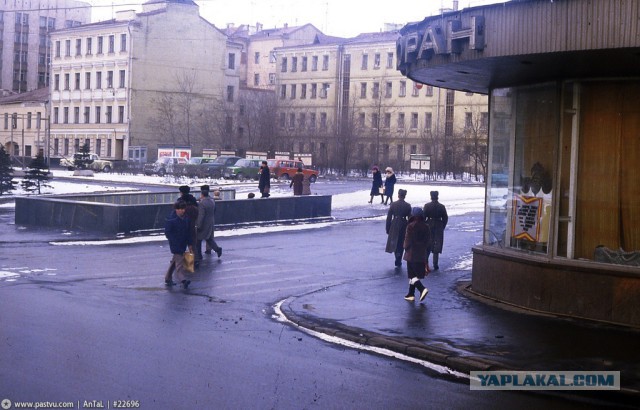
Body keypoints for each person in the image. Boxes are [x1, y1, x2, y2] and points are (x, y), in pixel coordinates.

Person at [402, 207, 431, 302]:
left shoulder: (410, 226)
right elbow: (427, 241)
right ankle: (411, 294)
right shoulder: (426, 226)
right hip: (421, 253)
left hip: (411, 254)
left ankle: (422, 289)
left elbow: (407, 241)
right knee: (414, 274)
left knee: (412, 275)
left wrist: (405, 247)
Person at [164, 200, 193, 290]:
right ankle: (183, 280)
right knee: (179, 265)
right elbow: (168, 233)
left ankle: (168, 278)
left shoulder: (186, 219)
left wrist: (190, 244)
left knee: (174, 262)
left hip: (182, 243)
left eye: (183, 209)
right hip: (176, 244)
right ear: (176, 209)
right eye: (180, 209)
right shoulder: (171, 219)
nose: (182, 211)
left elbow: (188, 233)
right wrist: (174, 241)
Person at [196, 185, 222, 264]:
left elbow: (201, 215)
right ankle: (217, 249)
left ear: (202, 194)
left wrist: (198, 225)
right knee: (209, 238)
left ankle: (199, 255)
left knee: (198, 239)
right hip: (211, 222)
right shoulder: (212, 201)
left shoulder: (202, 203)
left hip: (203, 223)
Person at [423, 190, 449, 270]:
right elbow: (445, 217)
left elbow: (423, 217)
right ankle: (435, 263)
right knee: (437, 245)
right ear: (437, 197)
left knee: (427, 244)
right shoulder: (441, 206)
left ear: (431, 197)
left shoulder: (427, 206)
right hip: (438, 225)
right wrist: (442, 226)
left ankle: (426, 262)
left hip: (429, 225)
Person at [385, 189, 411, 267]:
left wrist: (388, 228)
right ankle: (399, 257)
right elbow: (410, 218)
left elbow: (389, 217)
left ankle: (397, 256)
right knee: (401, 242)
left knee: (394, 241)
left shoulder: (393, 204)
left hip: (394, 224)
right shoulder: (407, 205)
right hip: (404, 224)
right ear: (404, 196)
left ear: (398, 195)